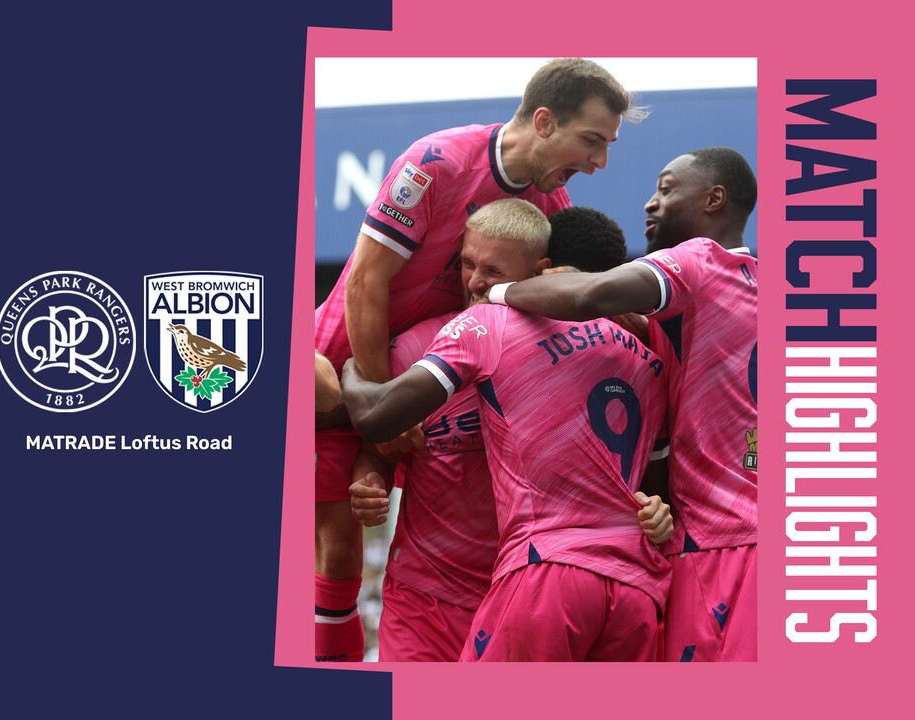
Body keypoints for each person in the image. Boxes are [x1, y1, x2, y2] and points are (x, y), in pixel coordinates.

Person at [314, 58, 644, 662]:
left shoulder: (553, 201)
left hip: (434, 382)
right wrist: (384, 404)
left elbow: (569, 291)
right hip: (350, 369)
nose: (600, 161)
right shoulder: (436, 161)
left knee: (349, 549)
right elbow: (365, 280)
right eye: (592, 140)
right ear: (543, 122)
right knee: (335, 555)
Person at [342, 199, 672, 662]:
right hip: (430, 594)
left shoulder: (492, 329)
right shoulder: (642, 353)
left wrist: (349, 367)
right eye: (467, 264)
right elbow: (378, 445)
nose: (475, 282)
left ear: (541, 273)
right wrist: (370, 478)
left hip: (533, 578)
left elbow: (376, 413)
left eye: (494, 271)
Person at [484, 147, 758, 662]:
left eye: (667, 189)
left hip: (720, 543)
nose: (651, 203)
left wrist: (497, 291)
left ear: (714, 199)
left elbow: (590, 295)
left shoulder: (698, 260)